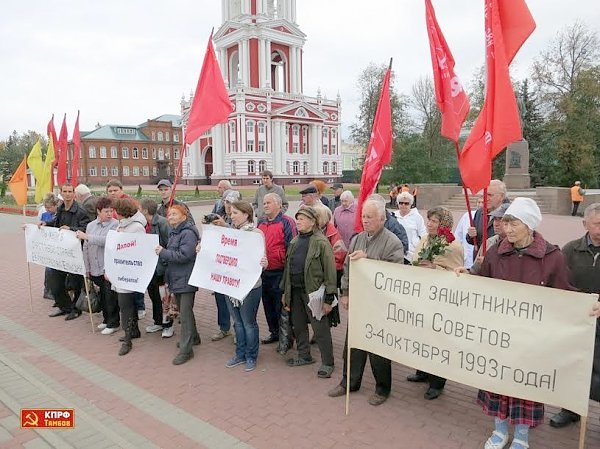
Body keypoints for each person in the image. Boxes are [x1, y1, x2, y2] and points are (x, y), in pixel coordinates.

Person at [473, 197, 571, 449]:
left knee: (524, 387)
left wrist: (588, 305)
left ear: (529, 225)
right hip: (499, 335)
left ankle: (522, 435)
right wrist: (466, 277)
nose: (507, 229)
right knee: (498, 383)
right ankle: (500, 430)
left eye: (513, 223)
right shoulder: (496, 251)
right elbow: (482, 283)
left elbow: (565, 295)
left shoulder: (552, 257)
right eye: (505, 223)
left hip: (531, 339)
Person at [328, 199, 404, 405]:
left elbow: (394, 274)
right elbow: (347, 267)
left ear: (382, 218)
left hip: (379, 305)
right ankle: (349, 382)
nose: (365, 220)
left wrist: (368, 258)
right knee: (353, 345)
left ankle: (382, 388)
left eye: (369, 217)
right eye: (363, 216)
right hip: (359, 302)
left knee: (377, 348)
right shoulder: (357, 239)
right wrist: (345, 292)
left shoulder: (393, 242)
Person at [549, 203, 600, 428]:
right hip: (577, 321)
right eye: (597, 224)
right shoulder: (570, 249)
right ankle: (570, 409)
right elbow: (558, 279)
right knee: (572, 366)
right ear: (585, 224)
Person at [408, 206, 464, 400]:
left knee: (437, 341)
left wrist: (434, 268)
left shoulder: (452, 245)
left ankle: (437, 382)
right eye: (429, 220)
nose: (429, 224)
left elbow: (455, 274)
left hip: (441, 301)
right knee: (422, 336)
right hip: (423, 297)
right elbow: (416, 259)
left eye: (434, 221)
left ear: (444, 225)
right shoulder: (425, 239)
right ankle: (422, 371)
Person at [282, 206, 337, 378]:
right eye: (297, 218)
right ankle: (304, 355)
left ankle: (328, 363)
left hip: (314, 293)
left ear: (313, 222)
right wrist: (286, 292)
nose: (298, 221)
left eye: (302, 219)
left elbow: (330, 271)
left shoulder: (321, 242)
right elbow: (287, 269)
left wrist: (329, 297)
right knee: (298, 325)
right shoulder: (294, 241)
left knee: (320, 329)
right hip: (296, 292)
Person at [224, 201, 268, 372]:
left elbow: (261, 258)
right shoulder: (229, 233)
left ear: (246, 214)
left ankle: (251, 355)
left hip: (250, 286)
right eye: (231, 213)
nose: (231, 216)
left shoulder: (255, 234)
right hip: (231, 285)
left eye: (235, 213)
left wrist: (264, 262)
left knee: (248, 323)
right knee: (238, 323)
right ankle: (240, 353)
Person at [156, 205, 201, 365]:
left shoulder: (187, 233)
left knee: (185, 314)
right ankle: (193, 338)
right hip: (178, 277)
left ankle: (186, 350)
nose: (171, 217)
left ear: (184, 216)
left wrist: (163, 252)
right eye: (169, 214)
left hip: (186, 278)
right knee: (184, 310)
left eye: (175, 214)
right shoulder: (175, 232)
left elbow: (185, 255)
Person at [44, 183, 91, 320]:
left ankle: (76, 309)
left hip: (75, 251)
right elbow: (56, 223)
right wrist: (45, 224)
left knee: (76, 283)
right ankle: (65, 307)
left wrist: (70, 228)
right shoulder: (60, 208)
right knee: (55, 282)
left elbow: (86, 227)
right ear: (62, 193)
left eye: (70, 191)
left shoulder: (80, 210)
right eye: (65, 191)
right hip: (61, 251)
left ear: (74, 194)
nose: (68, 194)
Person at [257, 192, 297, 345]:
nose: (265, 205)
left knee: (280, 306)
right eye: (264, 203)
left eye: (269, 203)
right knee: (267, 305)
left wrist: (288, 273)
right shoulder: (261, 222)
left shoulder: (287, 222)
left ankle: (287, 336)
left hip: (280, 272)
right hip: (264, 272)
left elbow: (291, 248)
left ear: (279, 205)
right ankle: (274, 332)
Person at [77, 196, 119, 334]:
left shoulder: (115, 224)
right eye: (106, 211)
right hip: (94, 267)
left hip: (107, 267)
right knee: (102, 296)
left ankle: (114, 322)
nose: (109, 214)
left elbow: (107, 241)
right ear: (98, 211)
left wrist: (87, 237)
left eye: (111, 211)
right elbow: (86, 248)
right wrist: (87, 268)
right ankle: (106, 320)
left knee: (109, 296)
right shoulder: (91, 225)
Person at [111, 198, 147, 356]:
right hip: (121, 270)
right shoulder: (123, 224)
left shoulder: (136, 228)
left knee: (125, 305)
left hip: (130, 272)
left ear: (122, 212)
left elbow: (138, 249)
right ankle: (134, 331)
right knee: (127, 304)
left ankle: (127, 339)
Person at [105, 179, 146, 320]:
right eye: (110, 191)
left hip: (130, 266)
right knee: (124, 302)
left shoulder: (132, 213)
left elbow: (139, 248)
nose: (112, 193)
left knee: (131, 298)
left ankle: (137, 313)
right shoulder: (120, 223)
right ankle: (130, 327)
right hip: (121, 266)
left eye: (115, 190)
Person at [209, 190, 241, 341]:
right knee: (220, 299)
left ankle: (238, 330)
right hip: (221, 264)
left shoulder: (240, 218)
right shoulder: (220, 215)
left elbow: (240, 238)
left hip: (234, 267)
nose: (228, 206)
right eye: (226, 202)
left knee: (235, 301)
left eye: (231, 203)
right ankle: (224, 328)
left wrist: (225, 227)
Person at [139, 199, 171, 335]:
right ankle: (158, 322)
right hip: (149, 267)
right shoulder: (144, 224)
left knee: (164, 297)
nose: (138, 212)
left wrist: (164, 260)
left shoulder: (162, 223)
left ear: (145, 210)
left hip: (161, 267)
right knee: (154, 295)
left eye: (140, 209)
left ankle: (168, 325)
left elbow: (169, 243)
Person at [466, 179, 509, 259]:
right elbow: (473, 240)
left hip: (498, 263)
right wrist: (470, 235)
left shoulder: (509, 214)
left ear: (501, 196)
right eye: (484, 195)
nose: (486, 198)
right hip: (479, 264)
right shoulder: (479, 212)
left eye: (490, 195)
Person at [469, 203, 509, 275]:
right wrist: (466, 272)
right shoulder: (488, 242)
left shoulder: (518, 246)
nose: (496, 224)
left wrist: (488, 264)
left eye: (501, 220)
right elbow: (474, 271)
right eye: (495, 219)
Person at [394, 191, 426, 263]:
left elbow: (423, 235)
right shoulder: (393, 216)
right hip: (395, 250)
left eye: (406, 203)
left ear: (411, 204)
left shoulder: (417, 217)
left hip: (412, 251)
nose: (403, 205)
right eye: (401, 203)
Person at [40, 192, 60, 301]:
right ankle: (47, 290)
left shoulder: (59, 214)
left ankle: (56, 290)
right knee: (49, 268)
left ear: (55, 205)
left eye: (49, 207)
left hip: (58, 245)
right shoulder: (45, 215)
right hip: (48, 245)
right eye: (45, 207)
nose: (47, 209)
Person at [454, 197, 483, 270]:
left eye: (482, 202)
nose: (480, 204)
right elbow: (458, 235)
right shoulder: (467, 215)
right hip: (466, 257)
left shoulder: (487, 217)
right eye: (479, 202)